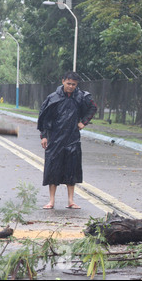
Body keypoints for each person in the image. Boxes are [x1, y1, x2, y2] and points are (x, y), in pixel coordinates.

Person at [37, 72, 97, 209]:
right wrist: (44, 136)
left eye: (73, 84)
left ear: (77, 85)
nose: (70, 86)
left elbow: (93, 107)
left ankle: (71, 200)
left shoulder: (82, 97)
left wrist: (84, 122)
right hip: (55, 138)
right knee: (52, 168)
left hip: (72, 138)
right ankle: (51, 201)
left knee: (72, 168)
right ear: (63, 81)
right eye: (68, 83)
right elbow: (44, 118)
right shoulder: (53, 98)